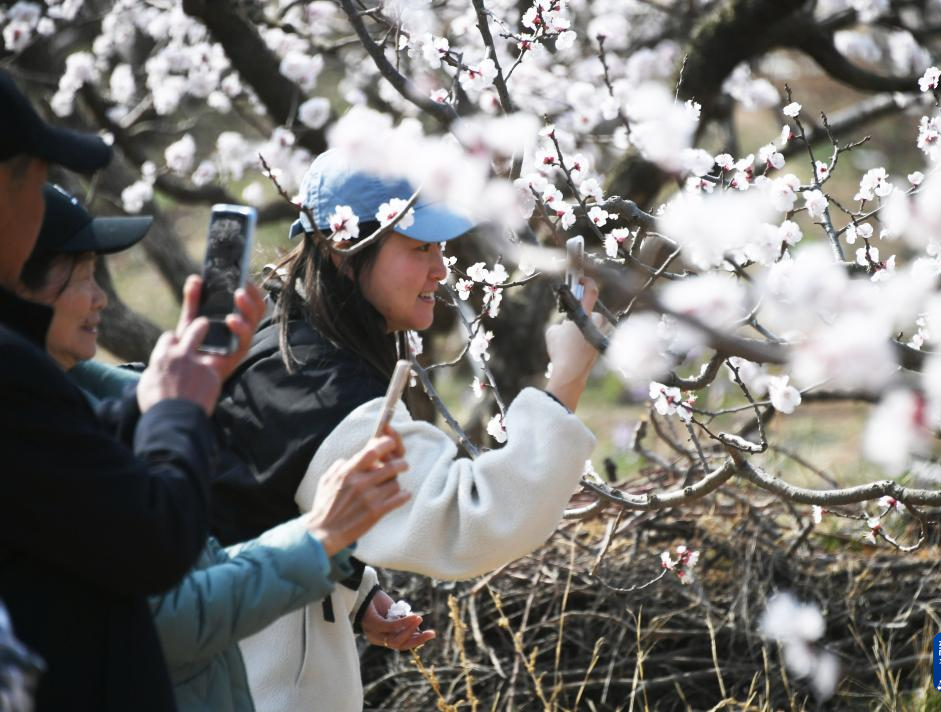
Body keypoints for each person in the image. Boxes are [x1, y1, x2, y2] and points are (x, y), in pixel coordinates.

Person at [210, 149, 603, 712]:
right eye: (419, 248)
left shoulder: (279, 331)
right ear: (344, 249)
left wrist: (348, 583)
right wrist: (565, 381)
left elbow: (260, 504)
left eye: (439, 247)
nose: (440, 269)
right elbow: (468, 517)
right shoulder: (313, 386)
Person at [19, 184, 429, 711]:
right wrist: (320, 539)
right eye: (79, 278)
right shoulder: (37, 436)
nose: (101, 297)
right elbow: (174, 613)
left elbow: (211, 536)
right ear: (18, 287)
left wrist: (351, 582)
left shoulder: (104, 403)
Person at [0, 70, 260, 711]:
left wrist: (152, 404)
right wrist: (176, 412)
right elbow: (150, 544)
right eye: (36, 180)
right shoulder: (11, 370)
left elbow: (58, 475)